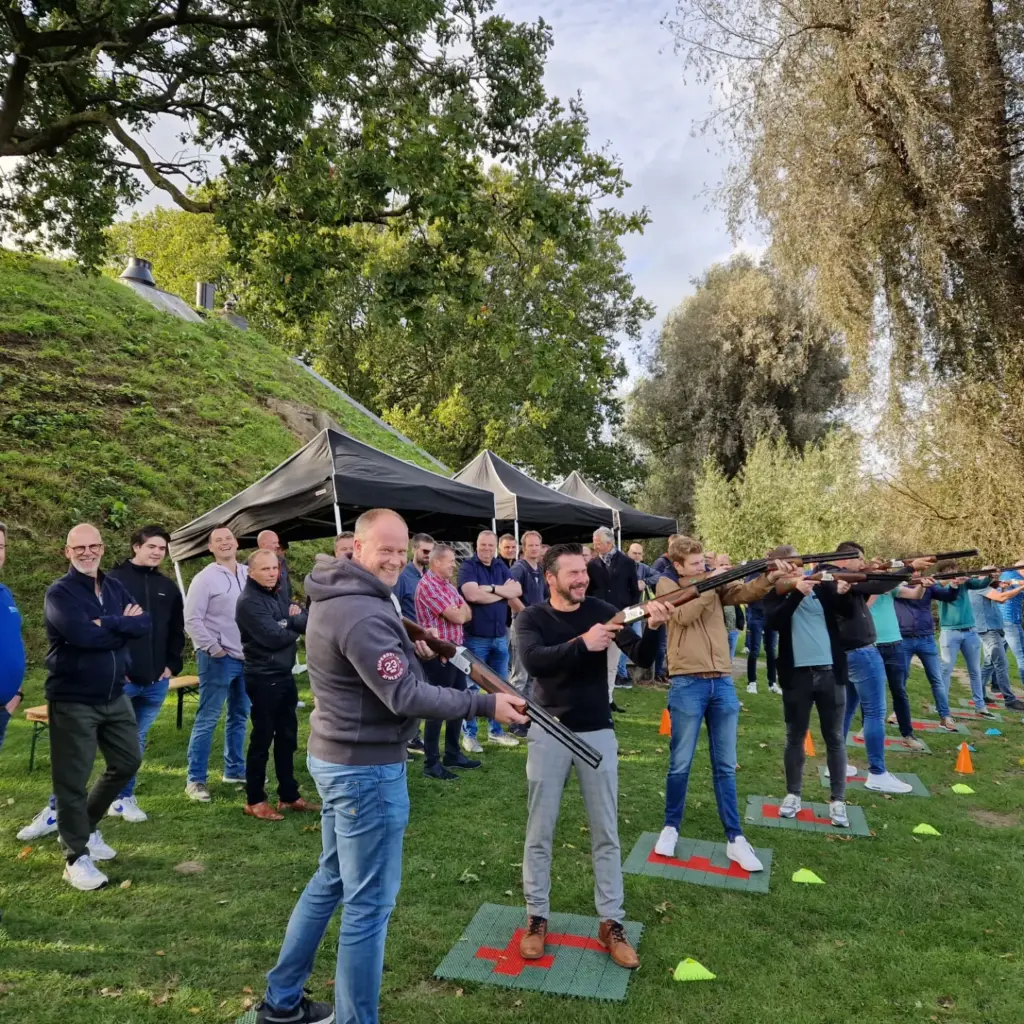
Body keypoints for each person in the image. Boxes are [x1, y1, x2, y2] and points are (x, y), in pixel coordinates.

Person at [255, 508, 526, 1024]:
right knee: (368, 907)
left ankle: (283, 999)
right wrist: (484, 705)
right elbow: (402, 694)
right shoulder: (361, 610)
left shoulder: (342, 595)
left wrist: (414, 647)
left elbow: (381, 673)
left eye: (402, 551)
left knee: (332, 879)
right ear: (357, 548)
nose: (396, 560)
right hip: (367, 768)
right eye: (386, 550)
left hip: (339, 756)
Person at [515, 543, 671, 970]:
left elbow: (639, 655)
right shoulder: (531, 618)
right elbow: (534, 663)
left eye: (583, 572)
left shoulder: (602, 608)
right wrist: (583, 643)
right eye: (572, 574)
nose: (582, 579)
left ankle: (611, 923)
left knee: (606, 832)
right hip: (549, 730)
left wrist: (655, 626)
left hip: (598, 730)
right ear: (550, 578)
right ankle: (536, 917)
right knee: (539, 831)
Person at [653, 536, 790, 868]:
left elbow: (744, 593)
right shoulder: (666, 584)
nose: (704, 567)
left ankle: (735, 837)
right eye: (697, 564)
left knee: (726, 766)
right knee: (680, 763)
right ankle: (671, 827)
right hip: (687, 682)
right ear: (678, 565)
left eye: (705, 562)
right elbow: (683, 615)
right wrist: (711, 582)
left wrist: (768, 578)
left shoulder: (712, 584)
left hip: (722, 682)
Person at [44, 524, 148, 890]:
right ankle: (75, 856)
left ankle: (85, 829)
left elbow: (144, 623)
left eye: (94, 546)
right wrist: (125, 625)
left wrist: (111, 622)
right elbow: (83, 636)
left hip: (115, 695)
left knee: (128, 762)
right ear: (67, 552)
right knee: (72, 780)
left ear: (103, 548)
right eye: (79, 548)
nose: (87, 553)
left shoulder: (115, 586)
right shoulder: (60, 592)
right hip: (74, 698)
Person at [764, 547, 851, 827]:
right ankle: (793, 795)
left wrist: (845, 591)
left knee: (835, 738)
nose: (795, 571)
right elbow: (774, 622)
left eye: (798, 565)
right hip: (796, 674)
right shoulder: (775, 592)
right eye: (789, 567)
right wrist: (796, 592)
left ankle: (838, 800)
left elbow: (848, 613)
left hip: (830, 672)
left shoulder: (823, 587)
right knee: (794, 736)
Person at [824, 543, 921, 793]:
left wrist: (891, 569)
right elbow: (877, 585)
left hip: (846, 652)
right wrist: (908, 567)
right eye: (859, 559)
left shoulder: (835, 578)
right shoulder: (837, 577)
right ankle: (877, 772)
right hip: (861, 651)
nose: (862, 563)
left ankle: (836, 764)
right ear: (846, 559)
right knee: (876, 712)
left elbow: (869, 588)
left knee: (847, 710)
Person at [104, 525, 185, 822]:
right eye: (151, 546)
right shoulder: (112, 581)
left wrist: (171, 666)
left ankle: (122, 796)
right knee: (115, 738)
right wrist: (115, 667)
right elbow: (102, 627)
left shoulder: (168, 586)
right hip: (121, 679)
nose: (157, 552)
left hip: (156, 681)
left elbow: (177, 630)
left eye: (162, 549)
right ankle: (110, 796)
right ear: (136, 546)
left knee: (135, 737)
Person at [235, 549, 316, 820]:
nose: (272, 573)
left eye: (275, 568)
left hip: (284, 675)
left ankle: (288, 795)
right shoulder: (248, 601)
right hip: (263, 676)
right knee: (262, 738)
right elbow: (273, 637)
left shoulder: (278, 593)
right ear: (251, 572)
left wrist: (288, 622)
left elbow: (305, 620)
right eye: (266, 569)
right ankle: (255, 799)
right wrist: (290, 624)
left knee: (287, 736)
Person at [183, 525, 251, 801]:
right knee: (208, 717)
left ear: (236, 543)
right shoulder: (205, 579)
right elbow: (191, 619)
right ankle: (195, 779)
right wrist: (214, 648)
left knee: (239, 716)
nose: (225, 543)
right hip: (218, 659)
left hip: (247, 658)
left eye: (229, 538)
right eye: (218, 540)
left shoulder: (248, 573)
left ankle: (234, 770)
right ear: (210, 548)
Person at [413, 543, 480, 780]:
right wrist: (459, 611)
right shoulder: (428, 586)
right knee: (438, 708)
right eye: (451, 560)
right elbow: (456, 615)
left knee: (460, 703)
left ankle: (453, 753)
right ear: (437, 562)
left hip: (455, 653)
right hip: (437, 656)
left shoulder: (446, 585)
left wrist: (460, 611)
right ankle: (432, 763)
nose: (454, 564)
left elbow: (467, 613)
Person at [458, 530, 522, 751]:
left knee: (501, 688)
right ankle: (470, 735)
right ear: (476, 545)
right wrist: (503, 593)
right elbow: (472, 595)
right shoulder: (468, 566)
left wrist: (493, 589)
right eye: (482, 545)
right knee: (472, 688)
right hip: (476, 638)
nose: (486, 549)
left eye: (490, 546)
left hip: (499, 637)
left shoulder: (500, 566)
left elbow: (517, 589)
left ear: (495, 547)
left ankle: (496, 732)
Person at [894, 579, 961, 730]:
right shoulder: (897, 586)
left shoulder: (929, 586)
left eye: (919, 571)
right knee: (900, 680)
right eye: (914, 570)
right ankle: (897, 713)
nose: (917, 574)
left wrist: (955, 585)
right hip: (903, 638)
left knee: (936, 679)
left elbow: (948, 596)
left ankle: (945, 717)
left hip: (926, 638)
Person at [867, 588, 927, 750]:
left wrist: (923, 585)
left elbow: (915, 595)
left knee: (899, 691)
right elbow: (863, 609)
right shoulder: (863, 588)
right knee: (872, 692)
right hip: (872, 645)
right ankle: (868, 729)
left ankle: (908, 735)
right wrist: (877, 590)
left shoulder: (892, 588)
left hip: (895, 645)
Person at [931, 570, 996, 717]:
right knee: (946, 670)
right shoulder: (937, 585)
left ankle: (980, 706)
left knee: (975, 670)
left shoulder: (966, 583)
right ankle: (941, 705)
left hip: (970, 631)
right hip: (949, 632)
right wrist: (953, 584)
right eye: (951, 573)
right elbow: (946, 594)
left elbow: (980, 583)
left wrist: (990, 576)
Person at [587, 526, 641, 699]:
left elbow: (634, 591)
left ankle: (608, 697)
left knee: (612, 661)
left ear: (609, 543)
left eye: (598, 543)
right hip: (597, 618)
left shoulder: (626, 563)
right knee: (595, 661)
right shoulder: (592, 565)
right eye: (594, 543)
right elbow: (588, 591)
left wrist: (630, 616)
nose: (595, 546)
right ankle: (594, 695)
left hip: (619, 618)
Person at [969, 577, 1024, 710]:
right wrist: (1022, 587)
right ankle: (1010, 700)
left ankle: (980, 694)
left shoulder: (984, 588)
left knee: (989, 664)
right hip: (989, 631)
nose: (996, 579)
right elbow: (1001, 598)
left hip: (991, 629)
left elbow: (1002, 599)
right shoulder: (980, 588)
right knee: (1001, 664)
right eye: (993, 576)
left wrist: (1004, 588)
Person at [509, 531, 547, 707]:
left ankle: (529, 715)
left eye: (537, 545)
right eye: (530, 545)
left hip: (539, 627)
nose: (534, 548)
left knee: (533, 673)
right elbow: (509, 595)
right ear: (523, 548)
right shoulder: (519, 568)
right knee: (520, 675)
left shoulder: (539, 569)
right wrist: (527, 615)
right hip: (522, 626)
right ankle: (514, 718)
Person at [0, 522, 26, 752]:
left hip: (3, 708)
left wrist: (16, 692)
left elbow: (12, 641)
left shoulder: (5, 594)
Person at [745, 576, 780, 695]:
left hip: (770, 616)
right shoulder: (754, 574)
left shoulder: (776, 575)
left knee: (771, 651)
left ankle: (772, 683)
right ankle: (752, 682)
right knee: (754, 650)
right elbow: (747, 591)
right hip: (756, 616)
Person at [395, 533, 433, 622]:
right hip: (411, 633)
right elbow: (394, 610)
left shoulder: (431, 577)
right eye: (425, 551)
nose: (429, 555)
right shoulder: (401, 576)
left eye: (432, 552)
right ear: (414, 550)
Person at [998, 560, 1024, 687]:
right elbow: (1012, 585)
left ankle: (995, 685)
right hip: (1009, 620)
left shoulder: (1013, 575)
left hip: (1010, 619)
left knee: (997, 656)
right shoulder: (1009, 574)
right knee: (1021, 655)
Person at [258, 529, 292, 599]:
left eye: (277, 542)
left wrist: (290, 603)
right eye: (274, 543)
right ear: (263, 545)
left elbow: (287, 585)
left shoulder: (281, 561)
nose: (277, 545)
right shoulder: (251, 564)